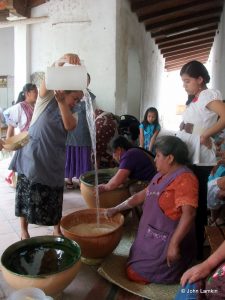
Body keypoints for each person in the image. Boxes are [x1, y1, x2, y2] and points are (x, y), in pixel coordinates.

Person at [8, 53, 84, 239]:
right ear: (64, 91)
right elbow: (46, 81)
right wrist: (61, 61)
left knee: (55, 194)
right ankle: (24, 230)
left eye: (79, 99)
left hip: (53, 157)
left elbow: (69, 126)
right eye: (75, 97)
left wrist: (63, 104)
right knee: (25, 192)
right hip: (33, 153)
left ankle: (56, 228)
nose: (77, 102)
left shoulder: (73, 111)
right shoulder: (45, 98)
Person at [105, 136, 198, 284]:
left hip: (168, 238)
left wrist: (174, 245)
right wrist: (115, 209)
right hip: (153, 234)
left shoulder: (186, 179)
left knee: (135, 274)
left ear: (170, 158)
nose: (154, 160)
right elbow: (139, 196)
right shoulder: (160, 175)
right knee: (133, 264)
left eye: (158, 156)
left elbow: (189, 214)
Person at [177, 60, 225, 259]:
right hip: (191, 154)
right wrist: (189, 129)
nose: (184, 85)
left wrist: (206, 136)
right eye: (183, 82)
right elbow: (197, 126)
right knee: (191, 200)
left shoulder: (207, 94)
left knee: (195, 202)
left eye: (187, 81)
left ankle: (196, 251)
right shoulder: (196, 99)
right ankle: (191, 244)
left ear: (200, 79)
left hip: (199, 156)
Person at [3, 83, 38, 185]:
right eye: (35, 92)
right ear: (27, 93)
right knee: (25, 171)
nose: (37, 94)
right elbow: (11, 126)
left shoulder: (37, 106)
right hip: (25, 144)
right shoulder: (19, 107)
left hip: (36, 144)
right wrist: (9, 144)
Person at [64, 73, 95, 189]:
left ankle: (84, 180)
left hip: (84, 128)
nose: (84, 82)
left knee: (83, 154)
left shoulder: (90, 96)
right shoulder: (69, 93)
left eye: (87, 80)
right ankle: (69, 179)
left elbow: (92, 113)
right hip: (71, 128)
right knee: (70, 153)